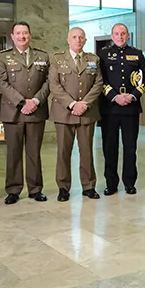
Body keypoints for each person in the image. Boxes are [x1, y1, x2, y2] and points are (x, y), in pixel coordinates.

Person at [0, 21, 50, 205]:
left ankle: (35, 189)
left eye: (25, 33)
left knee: (34, 152)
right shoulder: (3, 57)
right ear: (12, 36)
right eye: (18, 33)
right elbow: (2, 83)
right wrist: (21, 102)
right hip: (13, 112)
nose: (22, 36)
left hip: (36, 110)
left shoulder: (42, 56)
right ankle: (13, 189)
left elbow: (48, 82)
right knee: (14, 153)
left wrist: (35, 101)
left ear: (30, 35)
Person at [48, 27, 103, 202]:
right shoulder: (57, 59)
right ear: (68, 39)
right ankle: (63, 188)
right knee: (64, 152)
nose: (78, 40)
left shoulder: (93, 60)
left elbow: (98, 83)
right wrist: (72, 104)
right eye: (74, 37)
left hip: (87, 112)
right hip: (64, 112)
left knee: (87, 151)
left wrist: (84, 104)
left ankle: (88, 186)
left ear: (85, 41)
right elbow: (54, 85)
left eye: (81, 37)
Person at [98, 23, 145, 196]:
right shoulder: (103, 55)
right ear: (112, 36)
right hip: (109, 109)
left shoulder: (137, 54)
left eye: (123, 34)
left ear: (128, 36)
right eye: (117, 34)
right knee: (109, 148)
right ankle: (111, 183)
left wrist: (132, 96)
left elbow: (144, 81)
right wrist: (114, 96)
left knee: (130, 148)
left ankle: (129, 182)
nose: (120, 37)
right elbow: (100, 79)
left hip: (130, 108)